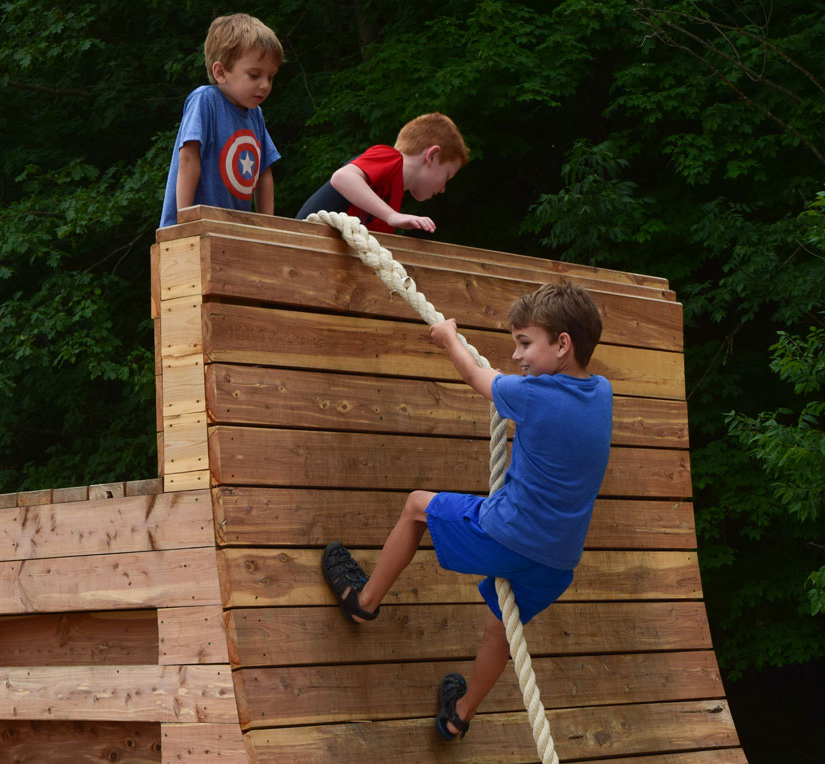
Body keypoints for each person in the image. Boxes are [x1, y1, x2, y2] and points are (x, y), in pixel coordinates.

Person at [321, 282, 613, 741]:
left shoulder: (532, 396)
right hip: (558, 561)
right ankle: (458, 716)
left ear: (562, 344)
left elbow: (478, 379)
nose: (517, 356)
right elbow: (532, 397)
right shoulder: (602, 393)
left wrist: (449, 338)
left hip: (506, 535)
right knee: (500, 627)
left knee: (417, 506)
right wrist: (515, 381)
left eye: (525, 343)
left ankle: (364, 602)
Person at [159, 13, 282, 228]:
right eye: (255, 75)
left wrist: (266, 227)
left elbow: (264, 172)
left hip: (231, 231)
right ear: (221, 72)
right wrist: (185, 222)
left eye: (270, 77)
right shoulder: (206, 101)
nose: (265, 85)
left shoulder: (255, 114)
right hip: (194, 228)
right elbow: (188, 158)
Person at [296, 112, 469, 234]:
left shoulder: (393, 195)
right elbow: (342, 178)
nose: (443, 189)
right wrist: (392, 216)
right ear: (431, 156)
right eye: (447, 176)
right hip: (303, 238)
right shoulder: (392, 158)